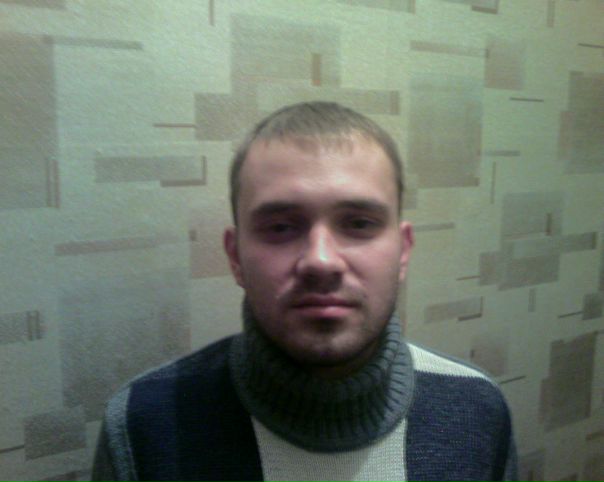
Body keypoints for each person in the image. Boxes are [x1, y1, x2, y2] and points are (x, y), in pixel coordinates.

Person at [92, 101, 518, 481]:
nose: (321, 261)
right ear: (235, 256)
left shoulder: (478, 409)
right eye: (281, 227)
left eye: (359, 223)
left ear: (403, 251)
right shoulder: (142, 426)